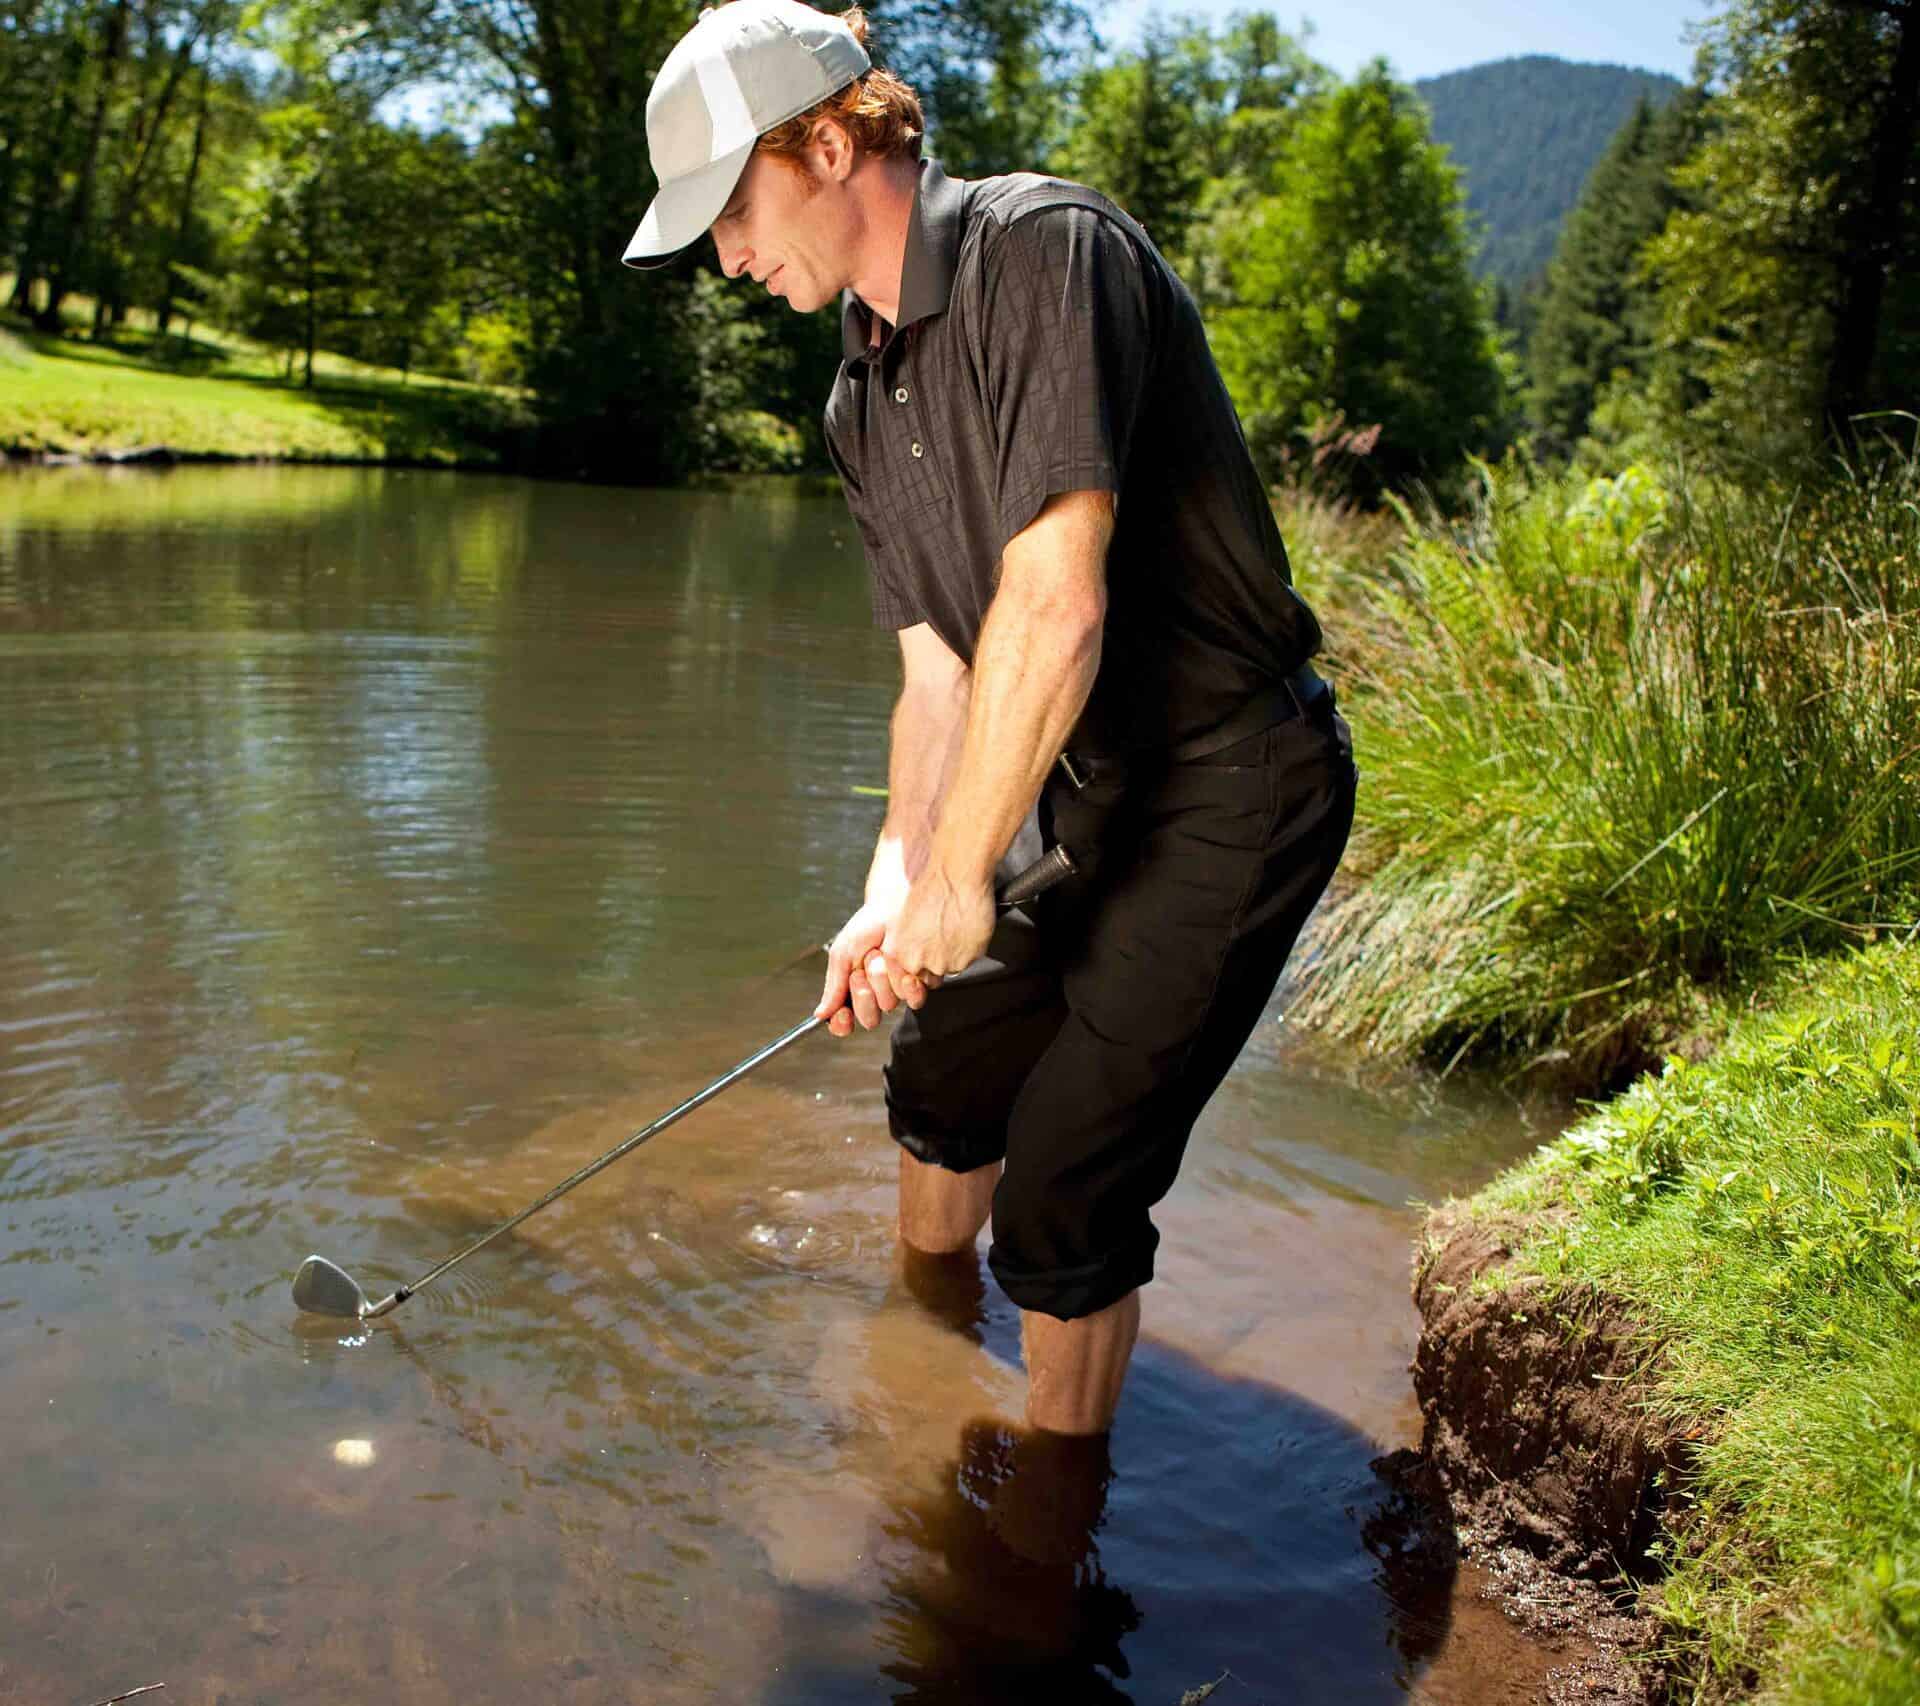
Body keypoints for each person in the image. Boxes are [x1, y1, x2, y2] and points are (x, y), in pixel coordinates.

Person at [624, 0, 1355, 1441]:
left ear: (829, 145)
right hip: (1093, 788)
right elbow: (941, 678)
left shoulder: (1044, 252)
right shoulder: (857, 393)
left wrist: (965, 875)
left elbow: (1054, 600)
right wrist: (895, 885)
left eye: (732, 210)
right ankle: (924, 1366)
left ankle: (1036, 1545)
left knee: (1069, 1180)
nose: (725, 256)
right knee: (941, 1063)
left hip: (1236, 780)